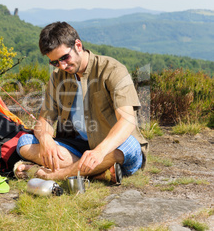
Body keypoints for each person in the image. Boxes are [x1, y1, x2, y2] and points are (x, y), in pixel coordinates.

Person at [14, 22, 149, 184]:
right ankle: (97, 173)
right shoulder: (57, 77)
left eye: (64, 58)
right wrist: (46, 140)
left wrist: (99, 152)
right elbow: (45, 120)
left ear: (78, 45)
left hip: (110, 147)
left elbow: (127, 121)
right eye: (55, 62)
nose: (62, 66)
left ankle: (55, 175)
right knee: (25, 143)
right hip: (77, 148)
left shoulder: (113, 69)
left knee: (130, 146)